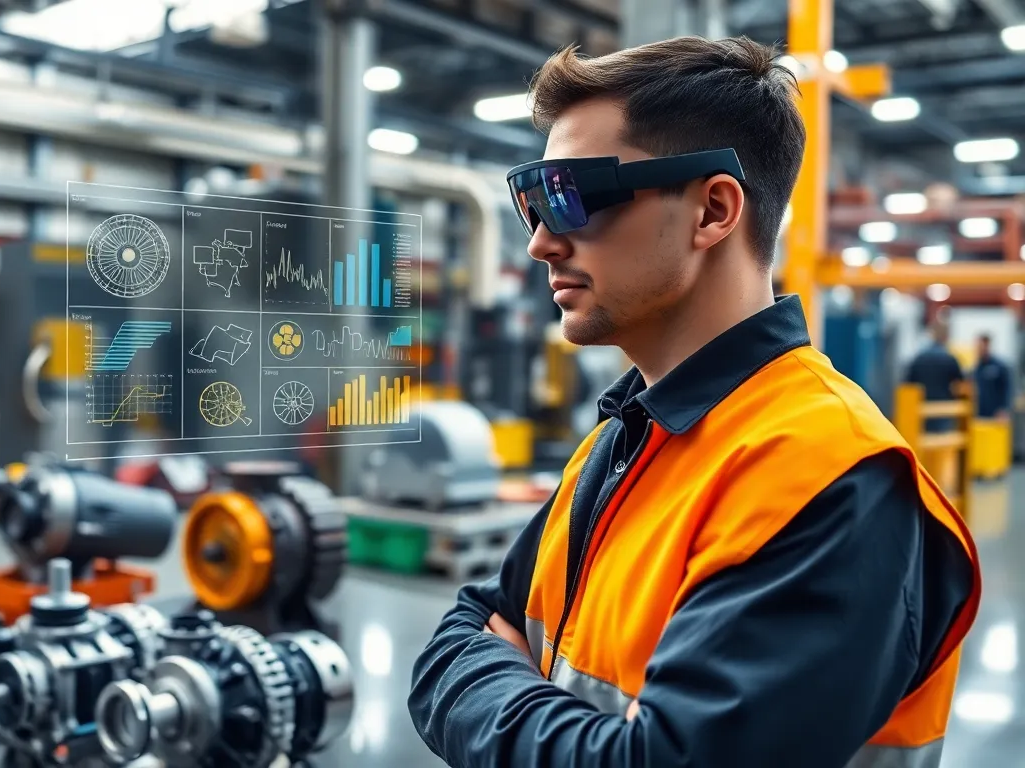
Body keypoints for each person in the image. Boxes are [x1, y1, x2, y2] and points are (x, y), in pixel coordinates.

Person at [408, 36, 979, 768]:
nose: (541, 243)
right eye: (531, 204)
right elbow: (459, 631)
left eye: (571, 196)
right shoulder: (626, 439)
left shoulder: (830, 478)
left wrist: (485, 684)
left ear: (713, 210)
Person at [904, 319, 965, 432]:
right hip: (943, 411)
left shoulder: (919, 358)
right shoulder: (950, 359)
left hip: (920, 411)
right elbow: (962, 384)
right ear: (946, 336)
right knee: (942, 445)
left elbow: (908, 383)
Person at [973, 333, 1012, 421]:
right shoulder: (977, 368)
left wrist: (1004, 409)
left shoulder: (999, 366)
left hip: (996, 414)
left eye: (981, 346)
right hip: (981, 413)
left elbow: (1008, 388)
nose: (979, 349)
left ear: (987, 345)